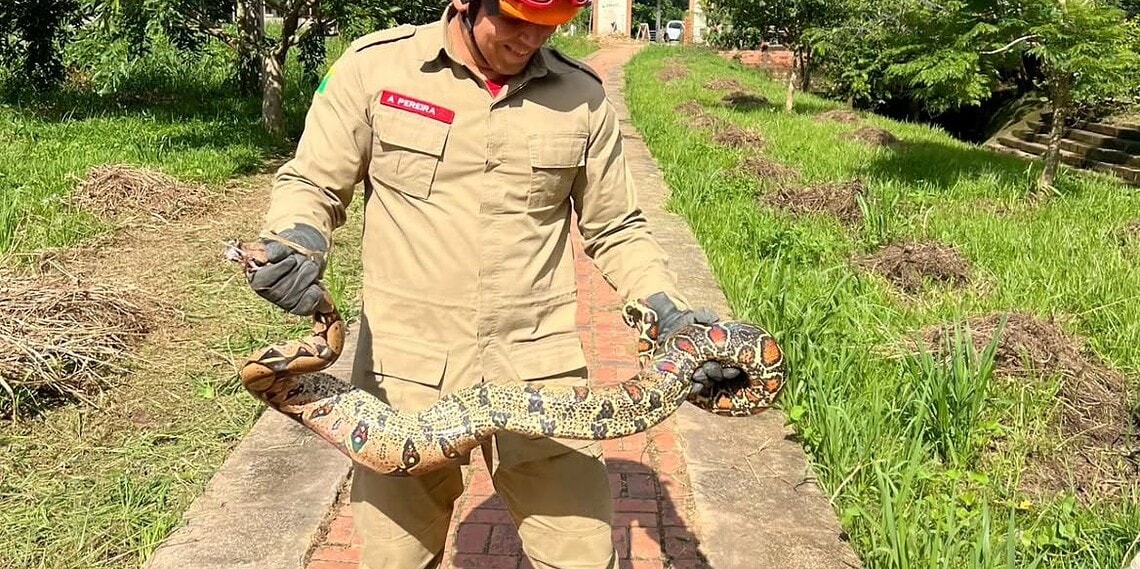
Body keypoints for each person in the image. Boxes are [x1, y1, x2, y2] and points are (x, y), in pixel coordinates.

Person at [247, 0, 741, 567]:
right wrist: (296, 237)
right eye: (513, 17)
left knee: (580, 553)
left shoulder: (580, 94)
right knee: (395, 557)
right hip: (405, 375)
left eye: (549, 22)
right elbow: (312, 181)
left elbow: (617, 227)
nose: (530, 37)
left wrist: (668, 313)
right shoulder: (375, 69)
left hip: (540, 372)